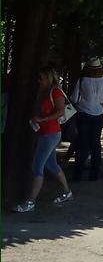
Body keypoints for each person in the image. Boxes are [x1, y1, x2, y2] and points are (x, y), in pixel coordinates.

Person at [13, 66, 73, 212]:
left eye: (41, 78)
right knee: (51, 165)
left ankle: (30, 202)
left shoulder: (55, 91)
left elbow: (60, 111)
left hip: (51, 133)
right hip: (45, 132)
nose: (39, 81)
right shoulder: (44, 92)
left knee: (37, 166)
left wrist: (43, 118)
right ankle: (67, 192)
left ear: (48, 78)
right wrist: (37, 118)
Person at [70, 58, 103, 181]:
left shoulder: (82, 80)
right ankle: (95, 173)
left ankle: (78, 174)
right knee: (95, 144)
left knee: (82, 144)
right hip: (98, 114)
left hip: (83, 113)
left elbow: (74, 98)